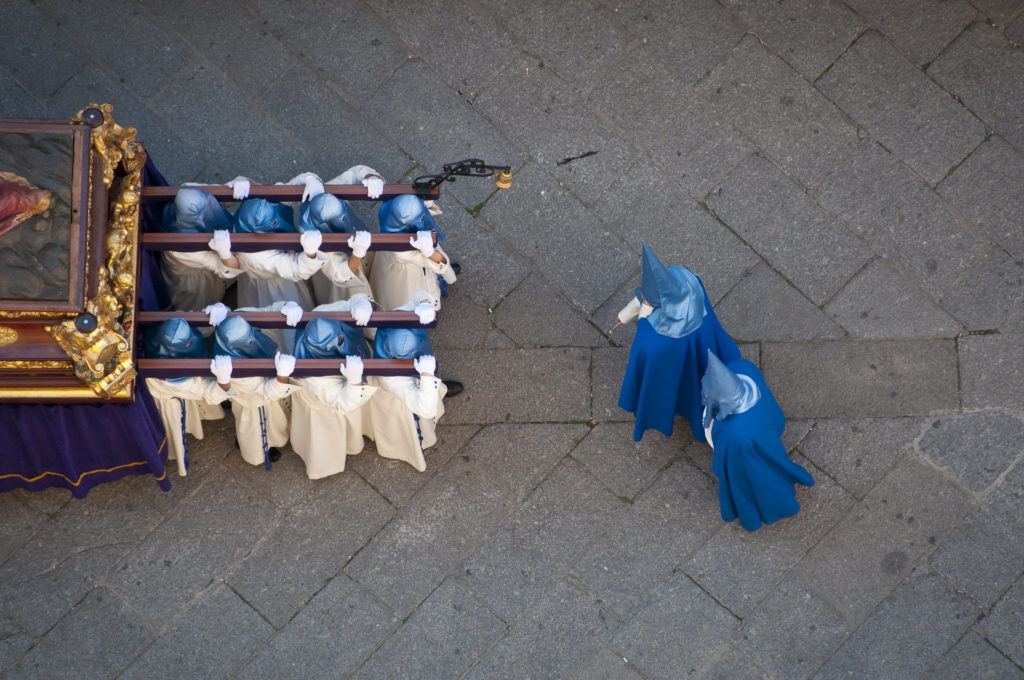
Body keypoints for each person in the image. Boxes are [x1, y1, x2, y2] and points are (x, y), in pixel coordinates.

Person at [617, 242, 741, 443]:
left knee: (669, 385)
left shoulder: (655, 336)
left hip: (670, 361)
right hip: (699, 343)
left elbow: (644, 352)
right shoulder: (685, 279)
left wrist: (640, 315)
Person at [701, 350, 815, 531]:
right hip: (766, 430)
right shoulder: (743, 368)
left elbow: (725, 460)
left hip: (744, 449)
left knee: (753, 480)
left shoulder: (733, 434)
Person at [209, 307, 299, 469]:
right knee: (259, 428)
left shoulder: (225, 344)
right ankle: (261, 451)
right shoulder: (241, 373)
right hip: (255, 402)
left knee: (245, 426)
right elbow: (266, 393)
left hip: (244, 401)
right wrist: (282, 377)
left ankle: (249, 441)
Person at [288, 315, 377, 479]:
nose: (342, 337)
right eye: (340, 339)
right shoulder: (318, 382)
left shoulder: (308, 336)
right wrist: (355, 380)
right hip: (328, 405)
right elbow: (347, 403)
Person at [231, 197, 324, 353]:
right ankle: (288, 352)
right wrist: (310, 253)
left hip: (268, 274)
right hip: (272, 285)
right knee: (284, 325)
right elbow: (296, 270)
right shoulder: (254, 255)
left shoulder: (250, 212)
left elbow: (280, 200)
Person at [142, 317, 230, 476]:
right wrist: (224, 381)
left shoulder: (156, 336)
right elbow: (207, 393)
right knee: (175, 426)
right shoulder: (174, 379)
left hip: (176, 391)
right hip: (171, 398)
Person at [365, 326, 446, 472]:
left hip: (405, 383)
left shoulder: (389, 330)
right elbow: (425, 408)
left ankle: (436, 390)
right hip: (400, 398)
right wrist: (427, 376)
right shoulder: (391, 378)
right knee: (412, 423)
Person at [159, 188, 243, 312]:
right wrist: (225, 253)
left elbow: (214, 195)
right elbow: (227, 268)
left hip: (205, 257)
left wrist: (234, 188)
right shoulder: (182, 247)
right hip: (193, 276)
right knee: (197, 305)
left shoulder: (188, 192)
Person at [369, 194, 456, 311]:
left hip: (388, 260)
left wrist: (421, 205)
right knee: (414, 291)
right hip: (408, 271)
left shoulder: (390, 215)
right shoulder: (400, 251)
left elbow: (407, 208)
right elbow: (434, 262)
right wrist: (429, 252)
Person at [298, 193, 374, 305]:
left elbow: (353, 177)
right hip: (341, 277)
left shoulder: (320, 199)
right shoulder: (314, 238)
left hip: (360, 250)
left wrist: (370, 176)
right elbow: (341, 275)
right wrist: (358, 253)